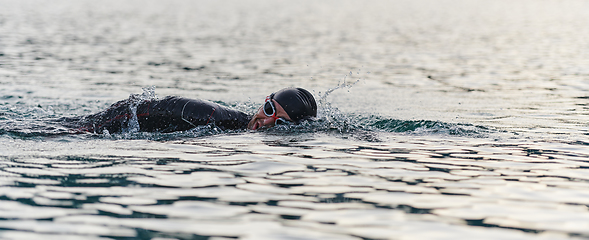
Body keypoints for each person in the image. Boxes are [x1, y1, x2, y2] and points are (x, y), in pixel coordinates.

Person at [70, 87, 317, 134]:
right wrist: (84, 129)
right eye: (269, 109)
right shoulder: (207, 114)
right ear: (265, 101)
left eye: (280, 123)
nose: (266, 121)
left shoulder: (237, 132)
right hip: (92, 127)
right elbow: (136, 109)